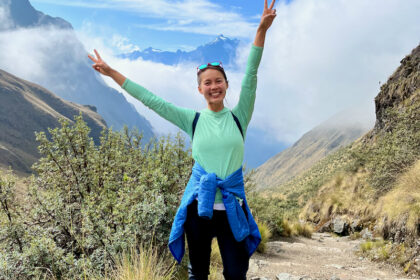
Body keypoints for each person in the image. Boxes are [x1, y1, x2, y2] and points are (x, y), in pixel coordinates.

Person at [88, 1, 276, 279]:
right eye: (208, 83)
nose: (214, 86)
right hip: (198, 208)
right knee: (197, 273)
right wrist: (113, 72)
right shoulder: (193, 120)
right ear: (199, 89)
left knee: (236, 273)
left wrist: (261, 30)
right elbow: (151, 100)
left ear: (226, 84)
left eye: (218, 81)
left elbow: (251, 74)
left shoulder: (239, 116)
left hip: (232, 209)